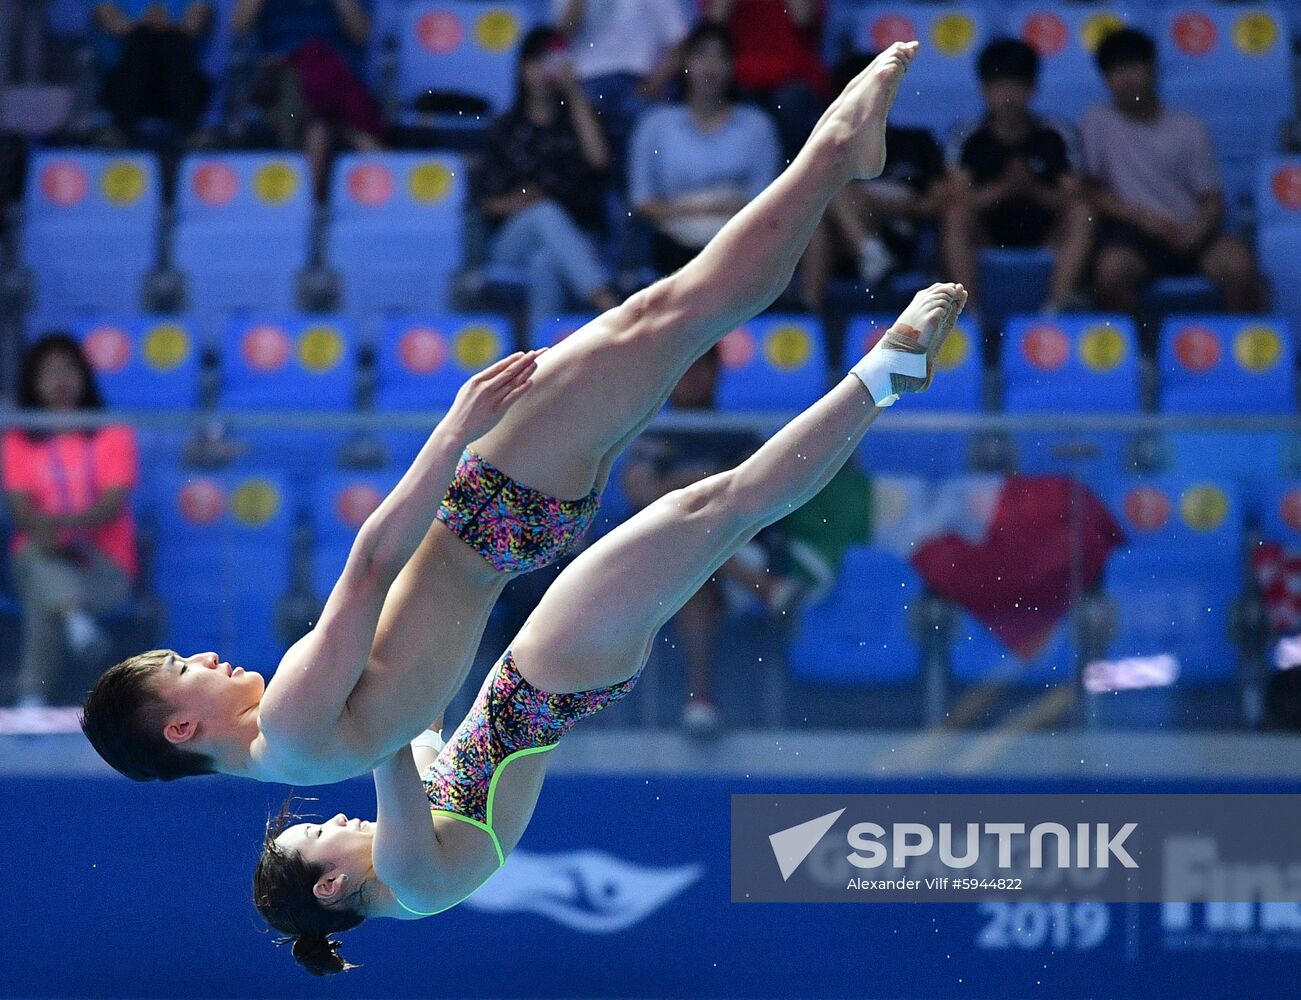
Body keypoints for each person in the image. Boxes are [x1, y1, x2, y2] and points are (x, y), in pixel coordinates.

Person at [80, 43, 924, 789]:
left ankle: (864, 289)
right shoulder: (292, 721)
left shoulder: (302, 761)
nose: (207, 657)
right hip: (486, 511)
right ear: (180, 726)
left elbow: (418, 721)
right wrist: (454, 430)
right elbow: (373, 561)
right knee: (669, 315)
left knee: (682, 345)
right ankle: (835, 156)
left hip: (516, 537)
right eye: (184, 668)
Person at [254, 279, 967, 976]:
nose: (335, 820)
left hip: (558, 672)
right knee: (722, 505)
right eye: (318, 835)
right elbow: (384, 742)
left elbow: (416, 714)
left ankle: (866, 371)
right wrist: (313, 719)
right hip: (552, 671)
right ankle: (882, 374)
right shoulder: (409, 879)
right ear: (330, 886)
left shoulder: (414, 876)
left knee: (723, 506)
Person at [621, 350, 765, 734]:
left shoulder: (741, 434)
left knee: (696, 564)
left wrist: (682, 485)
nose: (692, 379)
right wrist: (707, 482)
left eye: (702, 369)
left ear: (716, 374)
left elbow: (755, 499)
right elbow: (640, 494)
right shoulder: (654, 436)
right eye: (685, 369)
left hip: (737, 553)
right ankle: (771, 590)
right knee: (691, 561)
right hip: (662, 566)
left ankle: (701, 699)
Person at [1081, 27, 1263, 315]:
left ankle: (1245, 355)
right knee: (1111, 272)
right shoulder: (1096, 122)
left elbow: (1213, 200)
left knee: (1240, 266)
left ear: (1154, 69)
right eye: (1116, 71)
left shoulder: (1189, 128)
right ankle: (1137, 356)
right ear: (1105, 79)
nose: (1127, 79)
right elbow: (1090, 190)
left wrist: (1194, 232)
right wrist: (1142, 219)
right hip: (1136, 238)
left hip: (1191, 232)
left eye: (1134, 67)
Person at [3, 336, 138, 707]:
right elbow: (20, 510)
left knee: (43, 594)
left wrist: (58, 527)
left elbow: (111, 505)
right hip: (39, 554)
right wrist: (47, 533)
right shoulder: (18, 440)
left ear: (85, 377)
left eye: (68, 370)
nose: (59, 380)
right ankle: (75, 618)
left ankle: (32, 695)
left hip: (103, 566)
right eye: (49, 373)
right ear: (33, 382)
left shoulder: (112, 434)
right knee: (36, 559)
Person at [474, 27, 620, 335]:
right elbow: (485, 202)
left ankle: (538, 362)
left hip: (579, 238)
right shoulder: (504, 129)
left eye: (552, 62)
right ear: (521, 68)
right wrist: (523, 201)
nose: (544, 72)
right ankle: (606, 303)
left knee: (545, 263)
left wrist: (575, 93)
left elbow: (599, 161)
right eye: (536, 62)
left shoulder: (577, 122)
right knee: (544, 213)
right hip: (512, 241)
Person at [944, 38, 1092, 315]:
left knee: (1083, 213)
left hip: (1046, 235)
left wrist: (1032, 189)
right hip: (987, 234)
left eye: (1017, 85)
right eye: (999, 86)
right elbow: (958, 199)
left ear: (1033, 88)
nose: (1008, 96)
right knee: (955, 216)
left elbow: (1073, 197)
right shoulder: (967, 136)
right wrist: (1003, 189)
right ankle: (967, 313)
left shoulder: (1056, 134)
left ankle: (1056, 308)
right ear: (984, 89)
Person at [628, 23, 781, 277]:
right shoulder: (654, 124)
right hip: (673, 241)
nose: (711, 66)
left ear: (733, 66)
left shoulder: (757, 125)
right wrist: (699, 212)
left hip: (740, 241)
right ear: (685, 63)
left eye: (721, 56)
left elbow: (766, 199)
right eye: (701, 55)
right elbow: (642, 201)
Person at [801, 54, 948, 313]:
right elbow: (801, 206)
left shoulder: (918, 142)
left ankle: (872, 255)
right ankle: (810, 319)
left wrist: (891, 205)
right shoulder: (826, 147)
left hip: (902, 240)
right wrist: (889, 199)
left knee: (834, 190)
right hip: (841, 250)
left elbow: (941, 202)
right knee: (821, 215)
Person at [230, 0, 385, 197]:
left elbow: (362, 34)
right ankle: (311, 203)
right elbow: (239, 25)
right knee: (320, 121)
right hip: (283, 73)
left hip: (333, 73)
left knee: (319, 116)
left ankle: (304, 205)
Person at [553, 0, 688, 179]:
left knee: (640, 160)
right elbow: (562, 33)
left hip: (638, 83)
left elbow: (679, 42)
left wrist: (655, 83)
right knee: (582, 162)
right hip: (586, 84)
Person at [701, 0, 828, 157]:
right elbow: (714, 23)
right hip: (739, 74)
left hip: (791, 74)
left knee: (790, 103)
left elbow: (802, 18)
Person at [92, 0, 213, 145]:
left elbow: (194, 25)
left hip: (178, 75)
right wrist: (147, 23)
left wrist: (164, 26)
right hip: (126, 75)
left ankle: (189, 131)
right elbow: (110, 20)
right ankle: (119, 129)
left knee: (173, 44)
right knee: (141, 41)